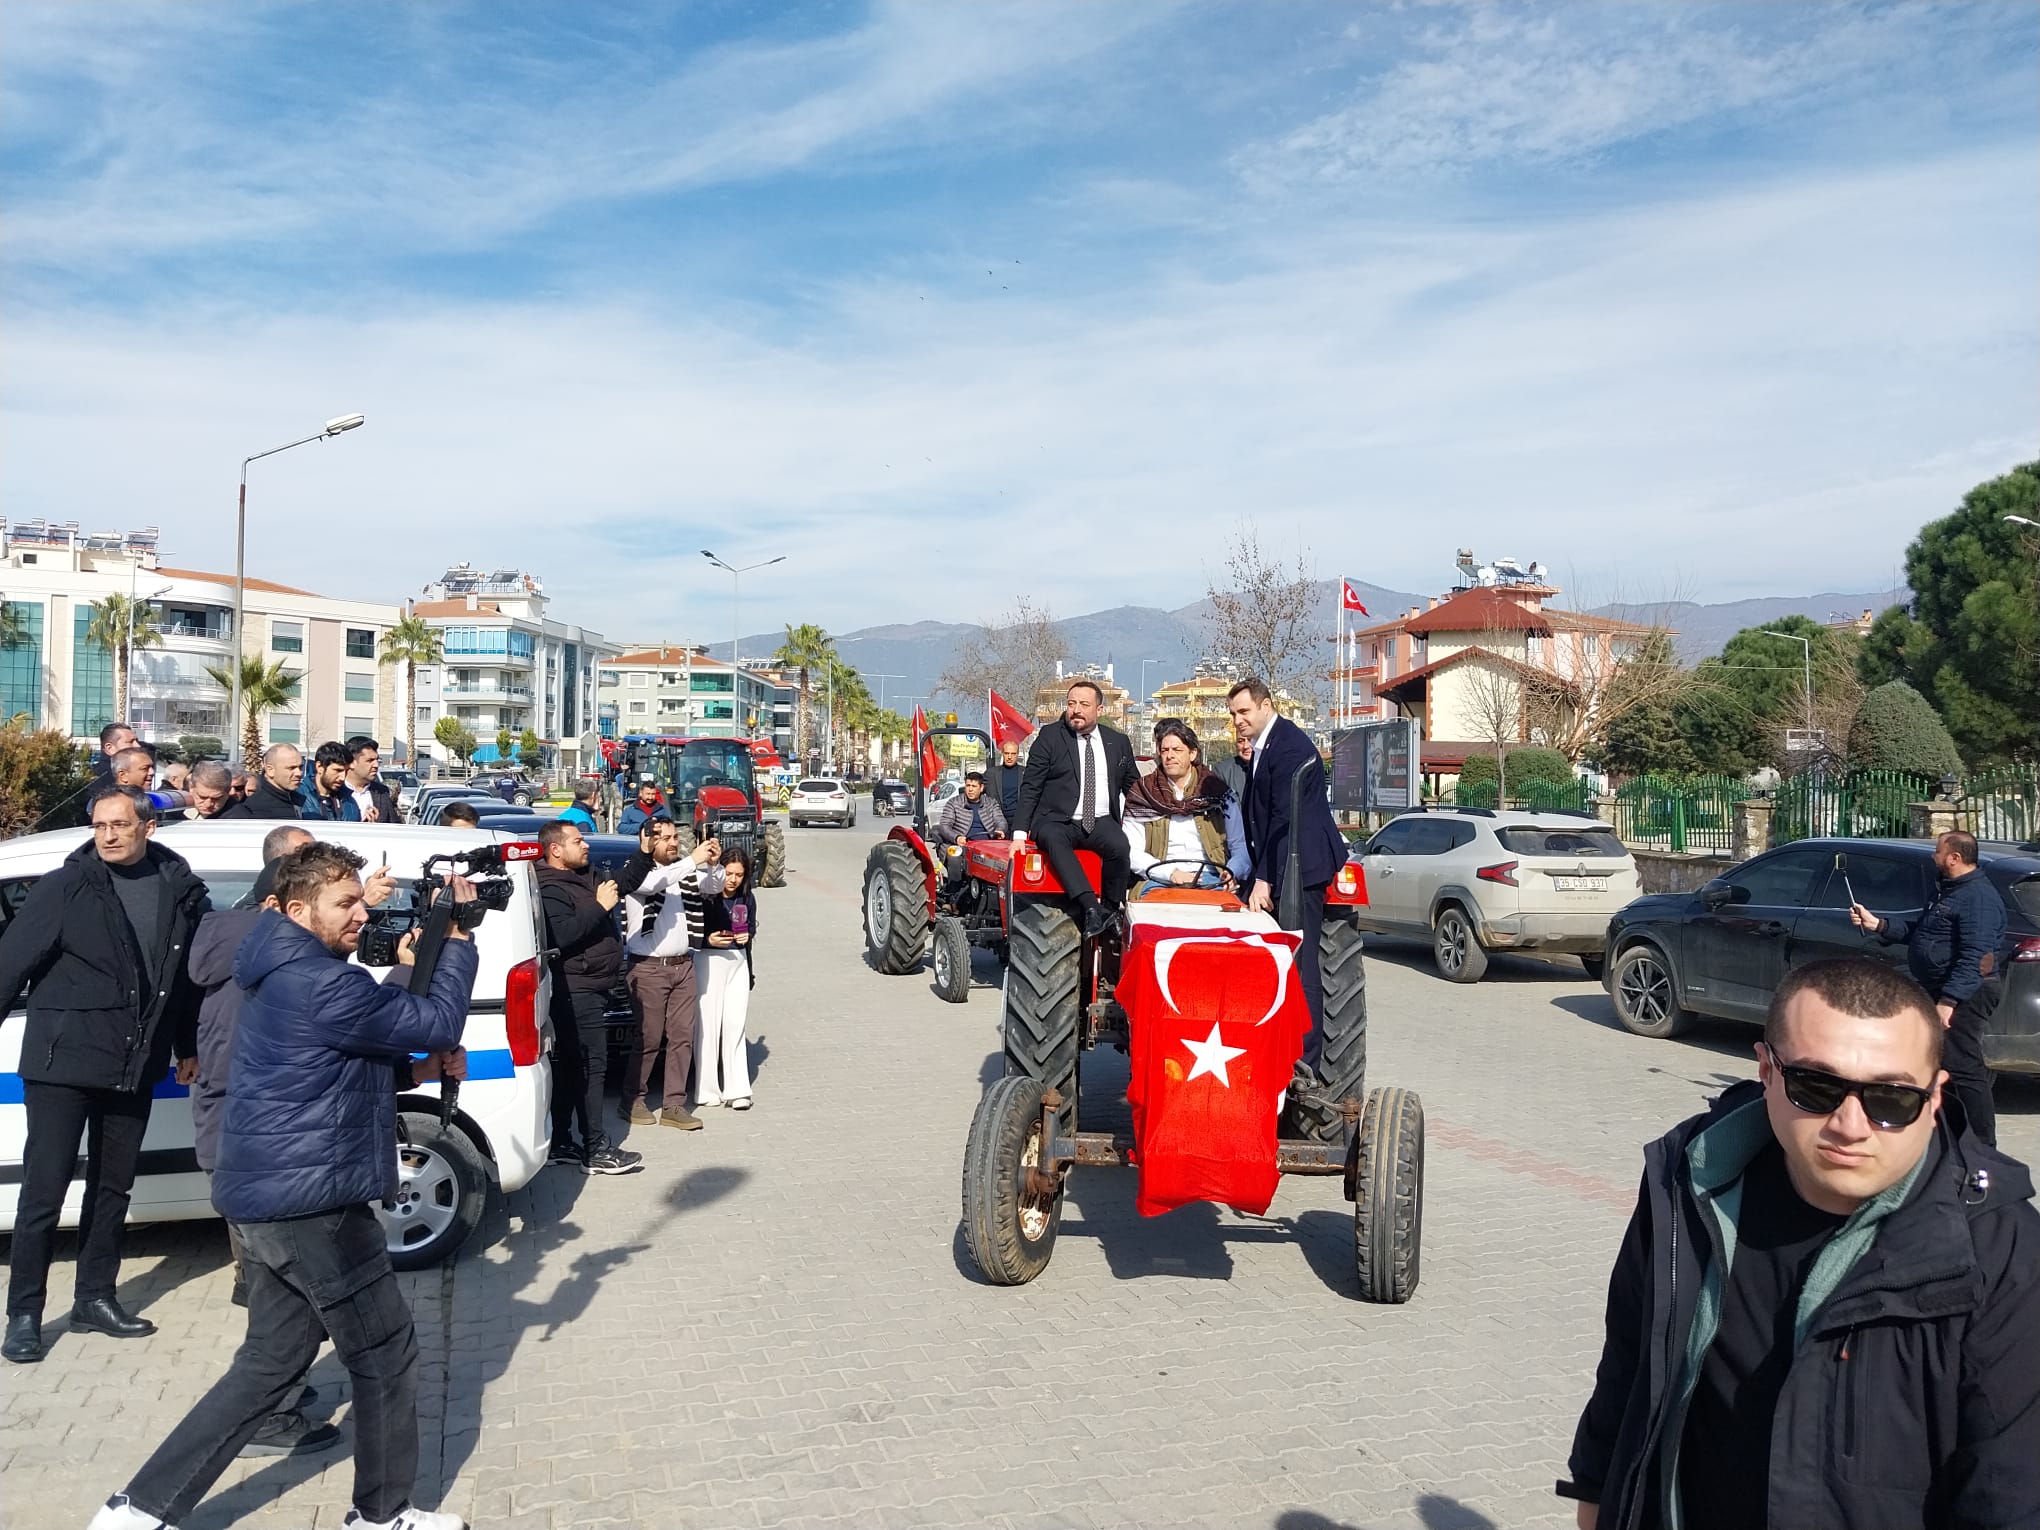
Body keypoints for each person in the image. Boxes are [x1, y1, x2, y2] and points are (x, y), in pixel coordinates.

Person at [1559, 957, 2039, 1530]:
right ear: (1766, 1071)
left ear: (1935, 1099)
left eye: (1891, 1099)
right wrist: (1596, 1491)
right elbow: (1631, 1360)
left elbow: (2011, 1484)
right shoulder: (1688, 1182)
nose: (1851, 1125)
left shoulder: (1998, 1250)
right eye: (1817, 1086)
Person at [89, 842, 479, 1530]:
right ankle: (383, 1517)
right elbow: (435, 1022)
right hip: (314, 1203)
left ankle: (137, 1511)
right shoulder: (321, 981)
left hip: (269, 1196)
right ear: (298, 910)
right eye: (346, 904)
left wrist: (411, 1040)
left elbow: (336, 1061)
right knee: (385, 1351)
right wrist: (458, 940)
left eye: (362, 899)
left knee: (271, 1361)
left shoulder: (282, 967)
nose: (364, 913)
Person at [0, 787, 209, 1365]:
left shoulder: (179, 887)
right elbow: (10, 963)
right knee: (44, 1190)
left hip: (135, 1060)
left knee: (113, 1188)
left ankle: (95, 1297)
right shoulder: (65, 886)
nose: (108, 835)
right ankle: (24, 1313)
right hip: (62, 1062)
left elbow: (188, 979)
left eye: (119, 825)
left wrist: (187, 1043)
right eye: (99, 826)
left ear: (148, 827)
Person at [185, 823, 340, 1459]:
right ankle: (267, 1412)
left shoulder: (239, 936)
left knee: (272, 1281)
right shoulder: (258, 943)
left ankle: (283, 1388)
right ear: (285, 884)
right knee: (276, 1283)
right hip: (247, 1132)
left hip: (247, 1129)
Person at [1851, 828, 2008, 1146]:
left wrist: (1949, 1001)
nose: (1932, 856)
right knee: (1939, 1060)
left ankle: (1982, 1146)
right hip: (1942, 988)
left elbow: (1978, 956)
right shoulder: (1949, 891)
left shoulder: (1977, 897)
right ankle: (1947, 1133)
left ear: (1954, 858)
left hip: (1968, 991)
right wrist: (1878, 924)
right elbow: (1924, 933)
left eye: (1937, 851)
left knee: (1962, 1064)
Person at [1227, 678, 1348, 1078]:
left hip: (1301, 867)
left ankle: (1304, 1059)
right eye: (1233, 714)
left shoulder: (1290, 746)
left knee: (1301, 960)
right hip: (1279, 864)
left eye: (1244, 712)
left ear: (1265, 706)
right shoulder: (1265, 746)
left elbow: (1284, 816)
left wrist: (1263, 880)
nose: (1238, 721)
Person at [535, 820, 642, 1176]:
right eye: (577, 841)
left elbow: (620, 886)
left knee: (571, 1067)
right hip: (574, 989)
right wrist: (598, 907)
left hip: (595, 984)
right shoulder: (549, 886)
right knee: (591, 1067)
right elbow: (562, 934)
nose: (585, 846)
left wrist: (643, 854)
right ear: (555, 850)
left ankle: (562, 1141)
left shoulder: (584, 875)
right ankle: (595, 1149)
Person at [1012, 679, 1140, 939]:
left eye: (1084, 704)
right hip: (1058, 821)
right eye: (1071, 704)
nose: (1076, 710)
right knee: (1054, 839)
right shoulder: (1050, 737)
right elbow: (1031, 786)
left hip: (1100, 821)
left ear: (1099, 710)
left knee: (1120, 846)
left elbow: (1134, 788)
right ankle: (1091, 908)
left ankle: (1111, 910)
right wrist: (1018, 834)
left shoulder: (1118, 742)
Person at [615, 817, 720, 1130]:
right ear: (648, 842)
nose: (674, 843)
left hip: (682, 967)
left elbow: (714, 886)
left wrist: (712, 864)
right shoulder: (638, 874)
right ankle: (631, 1100)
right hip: (648, 968)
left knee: (682, 1038)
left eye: (676, 837)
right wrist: (693, 859)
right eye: (667, 838)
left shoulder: (682, 873)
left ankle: (674, 1104)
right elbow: (652, 884)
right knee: (647, 1038)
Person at [1123, 719, 1249, 893]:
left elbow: (1240, 845)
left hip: (1212, 879)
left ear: (1192, 754)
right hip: (1159, 880)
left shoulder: (1219, 793)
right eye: (1165, 750)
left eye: (1177, 750)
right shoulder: (1143, 793)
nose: (1169, 756)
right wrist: (1170, 873)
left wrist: (1232, 871)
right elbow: (1132, 851)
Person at [697, 847, 756, 1111]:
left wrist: (747, 936)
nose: (732, 880)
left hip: (738, 961)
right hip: (708, 960)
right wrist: (706, 939)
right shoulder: (706, 896)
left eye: (738, 875)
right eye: (728, 873)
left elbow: (750, 926)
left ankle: (738, 1088)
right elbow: (691, 929)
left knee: (735, 1024)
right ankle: (706, 1089)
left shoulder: (747, 898)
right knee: (708, 1027)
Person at [221, 744, 308, 820]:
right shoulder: (253, 810)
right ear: (270, 770)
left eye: (300, 767)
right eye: (291, 768)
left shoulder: (303, 801)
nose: (299, 773)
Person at [342, 736, 400, 825]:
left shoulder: (382, 792)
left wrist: (375, 826)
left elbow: (395, 827)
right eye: (370, 760)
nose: (376, 765)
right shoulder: (336, 792)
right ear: (351, 763)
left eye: (377, 760)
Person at [301, 740, 362, 821]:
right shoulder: (299, 797)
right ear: (319, 767)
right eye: (337, 770)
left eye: (346, 771)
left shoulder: (349, 801)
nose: (342, 777)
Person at [989, 740, 1026, 827]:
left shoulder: (1026, 773)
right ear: (1002, 753)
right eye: (1007, 753)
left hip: (1019, 820)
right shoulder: (991, 774)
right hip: (996, 820)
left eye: (1013, 754)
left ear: (1017, 754)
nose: (1009, 757)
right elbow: (977, 789)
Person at [1212, 729, 1252, 802]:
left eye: (1250, 740)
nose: (1246, 746)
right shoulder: (1222, 771)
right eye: (1241, 741)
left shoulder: (1272, 767)